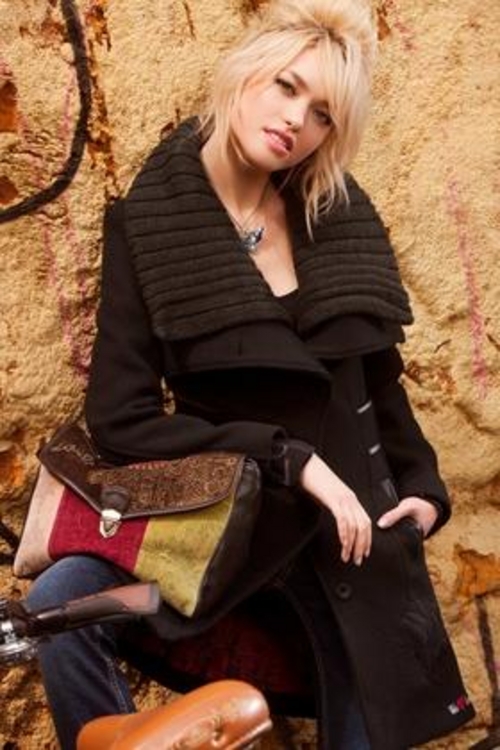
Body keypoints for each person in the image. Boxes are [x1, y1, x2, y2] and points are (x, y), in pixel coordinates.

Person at [26, 0, 475, 748]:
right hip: (220, 542)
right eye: (286, 87)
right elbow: (121, 420)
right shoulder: (151, 224)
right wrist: (287, 458)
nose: (297, 120)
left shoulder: (336, 215)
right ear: (244, 76)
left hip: (349, 543)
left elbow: (375, 384)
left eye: (323, 114)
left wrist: (425, 491)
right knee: (61, 607)